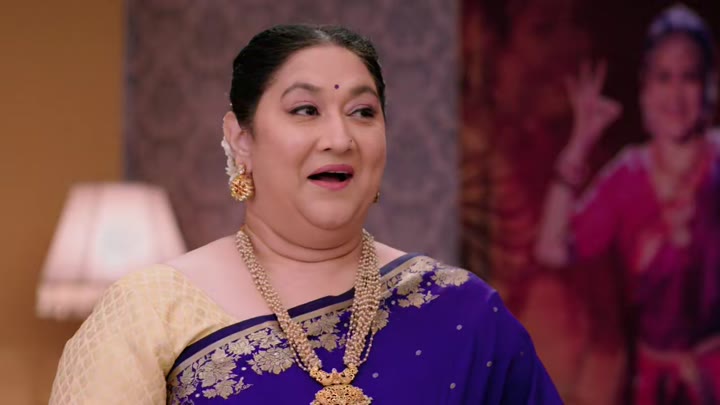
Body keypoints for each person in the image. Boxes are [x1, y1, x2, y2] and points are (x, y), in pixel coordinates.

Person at [49, 24, 560, 404]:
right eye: (305, 110)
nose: (339, 138)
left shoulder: (465, 312)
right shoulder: (152, 311)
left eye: (363, 113)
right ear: (240, 139)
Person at [535, 5, 720, 404]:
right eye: (664, 77)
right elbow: (551, 248)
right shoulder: (628, 177)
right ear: (646, 89)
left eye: (689, 77)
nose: (676, 94)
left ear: (709, 86)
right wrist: (578, 145)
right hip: (653, 386)